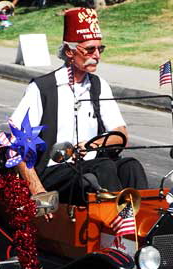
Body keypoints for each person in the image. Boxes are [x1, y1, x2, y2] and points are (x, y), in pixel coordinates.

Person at [10, 7, 147, 204]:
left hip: (93, 165)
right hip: (53, 171)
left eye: (100, 49)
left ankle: (143, 224)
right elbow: (16, 142)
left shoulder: (99, 86)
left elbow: (121, 134)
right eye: (90, 49)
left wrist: (93, 144)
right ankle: (117, 224)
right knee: (102, 168)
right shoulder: (43, 88)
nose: (97, 55)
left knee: (130, 166)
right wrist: (37, 190)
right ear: (69, 51)